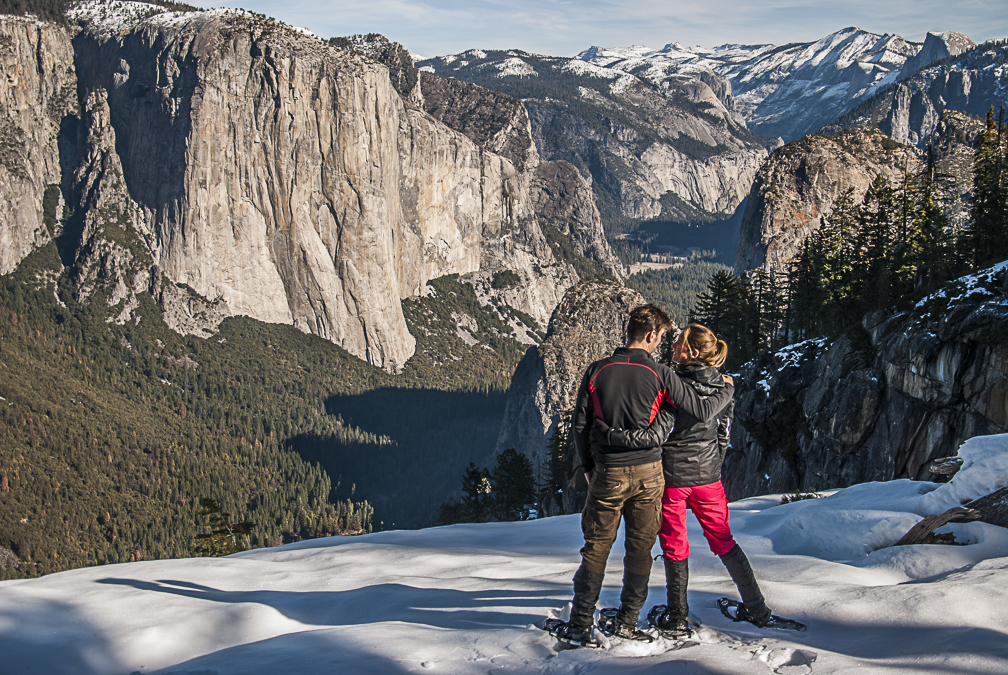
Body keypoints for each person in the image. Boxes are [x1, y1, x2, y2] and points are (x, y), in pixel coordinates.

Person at [549, 306, 735, 645]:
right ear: (650, 336)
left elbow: (580, 426)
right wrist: (727, 389)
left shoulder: (598, 370)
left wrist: (589, 466)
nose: (662, 342)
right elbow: (703, 409)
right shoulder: (662, 373)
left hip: (609, 472)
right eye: (662, 337)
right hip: (651, 473)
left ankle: (579, 625)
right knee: (640, 548)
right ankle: (627, 621)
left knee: (596, 547)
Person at [600, 323, 776, 637]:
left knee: (674, 545)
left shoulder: (672, 387)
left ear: (691, 351)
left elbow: (658, 433)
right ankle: (758, 608)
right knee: (724, 541)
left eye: (678, 342)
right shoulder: (724, 388)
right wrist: (712, 467)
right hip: (708, 477)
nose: (673, 345)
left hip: (673, 478)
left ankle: (677, 614)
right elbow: (724, 435)